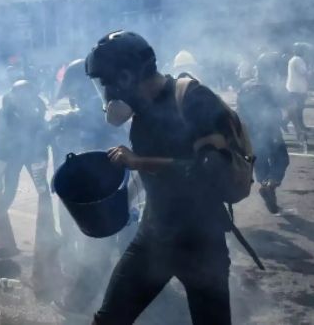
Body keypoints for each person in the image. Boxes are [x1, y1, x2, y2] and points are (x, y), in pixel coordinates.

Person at [85, 31, 236, 325]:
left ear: (127, 77)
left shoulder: (193, 98)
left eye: (106, 82)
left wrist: (139, 161)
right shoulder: (142, 108)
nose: (106, 91)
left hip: (200, 243)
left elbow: (210, 171)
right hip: (154, 237)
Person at [49, 59, 135, 316]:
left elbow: (94, 138)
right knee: (127, 242)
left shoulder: (98, 110)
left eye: (74, 91)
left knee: (100, 248)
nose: (73, 97)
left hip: (106, 187)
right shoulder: (114, 104)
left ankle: (80, 303)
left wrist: (66, 123)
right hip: (121, 183)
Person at [0, 80, 55, 258]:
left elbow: (44, 131)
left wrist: (45, 143)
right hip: (13, 156)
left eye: (27, 92)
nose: (24, 96)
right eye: (20, 93)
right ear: (14, 94)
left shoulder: (38, 107)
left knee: (43, 190)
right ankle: (0, 228)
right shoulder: (6, 111)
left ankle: (49, 231)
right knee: (9, 189)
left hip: (35, 155)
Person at [237, 54, 290, 214]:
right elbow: (285, 109)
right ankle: (270, 186)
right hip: (270, 130)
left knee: (261, 164)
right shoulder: (270, 88)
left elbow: (239, 113)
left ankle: (267, 189)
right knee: (281, 159)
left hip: (252, 133)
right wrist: (285, 122)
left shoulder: (245, 86)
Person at [286, 43, 309, 144]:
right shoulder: (299, 60)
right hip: (298, 88)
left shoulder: (293, 59)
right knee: (298, 108)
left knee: (296, 109)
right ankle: (299, 127)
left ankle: (299, 125)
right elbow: (303, 72)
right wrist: (312, 73)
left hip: (293, 87)